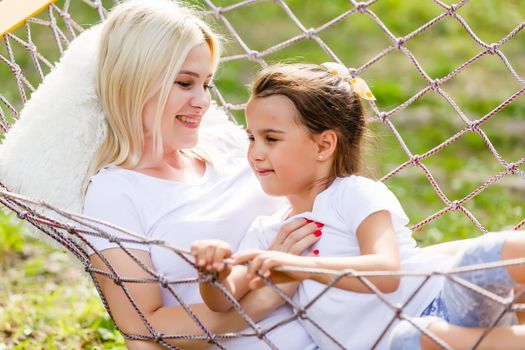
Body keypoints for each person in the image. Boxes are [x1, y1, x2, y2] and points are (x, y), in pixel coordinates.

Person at [190, 63, 525, 349]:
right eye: (252, 138)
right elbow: (223, 300)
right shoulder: (271, 233)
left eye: (271, 138)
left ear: (324, 145)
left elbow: (387, 272)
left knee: (480, 257)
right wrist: (212, 272)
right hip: (399, 344)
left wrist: (298, 267)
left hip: (442, 304)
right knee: (414, 335)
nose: (256, 152)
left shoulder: (354, 195)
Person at [82, 1, 320, 349]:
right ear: (134, 82)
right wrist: (272, 292)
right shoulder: (115, 192)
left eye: (206, 84)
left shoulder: (228, 144)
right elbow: (143, 327)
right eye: (184, 83)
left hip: (346, 299)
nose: (203, 102)